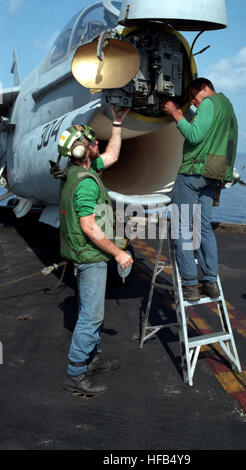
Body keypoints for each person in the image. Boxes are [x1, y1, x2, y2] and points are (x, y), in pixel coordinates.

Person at [58, 106, 133, 396]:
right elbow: (90, 228)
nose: (97, 144)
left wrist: (117, 123)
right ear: (82, 152)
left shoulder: (80, 171)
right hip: (90, 258)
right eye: (92, 143)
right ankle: (75, 374)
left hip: (83, 255)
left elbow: (112, 155)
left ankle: (95, 358)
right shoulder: (86, 185)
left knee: (89, 311)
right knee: (91, 316)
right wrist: (118, 253)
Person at [163, 78, 238, 302]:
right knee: (203, 227)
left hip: (193, 173)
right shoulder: (228, 106)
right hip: (214, 175)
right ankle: (210, 282)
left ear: (204, 88)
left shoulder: (209, 102)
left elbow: (195, 135)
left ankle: (190, 285)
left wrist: (175, 113)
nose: (193, 102)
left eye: (193, 96)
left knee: (182, 228)